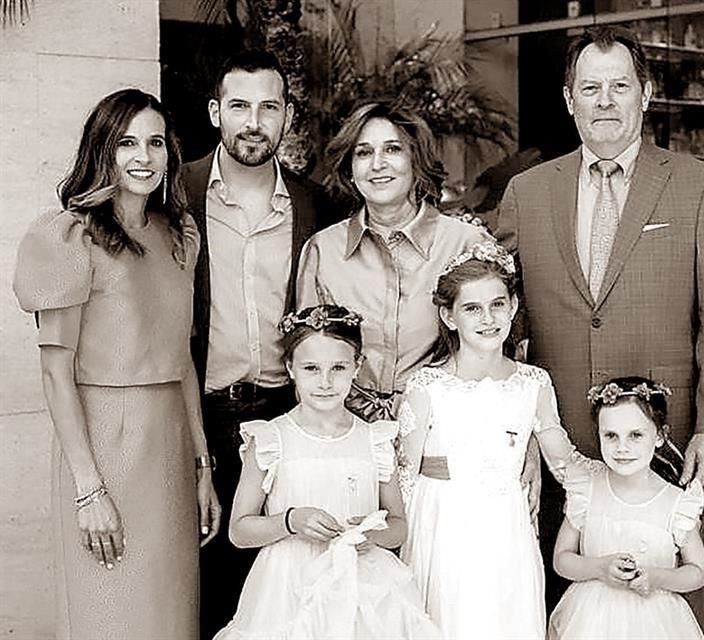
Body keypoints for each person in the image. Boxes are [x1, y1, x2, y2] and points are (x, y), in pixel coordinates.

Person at [495, 25, 704, 625]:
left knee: (672, 598)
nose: (605, 100)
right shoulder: (527, 193)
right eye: (590, 87)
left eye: (619, 86)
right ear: (568, 99)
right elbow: (503, 321)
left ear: (646, 92)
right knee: (569, 595)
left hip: (664, 442)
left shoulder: (697, 185)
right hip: (563, 442)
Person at [12, 88, 220, 640]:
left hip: (170, 449)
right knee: (109, 612)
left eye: (156, 143)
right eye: (127, 142)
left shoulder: (181, 235)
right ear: (101, 149)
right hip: (102, 448)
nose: (144, 157)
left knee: (170, 615)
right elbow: (56, 374)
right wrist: (89, 490)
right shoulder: (67, 237)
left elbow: (182, 362)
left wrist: (203, 468)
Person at [180, 49, 338, 637]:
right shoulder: (177, 192)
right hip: (200, 415)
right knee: (207, 586)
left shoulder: (318, 205)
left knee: (285, 589)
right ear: (217, 111)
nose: (254, 121)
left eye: (268, 107)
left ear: (287, 116)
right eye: (240, 106)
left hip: (285, 415)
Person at [214, 304, 440, 640]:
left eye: (338, 367)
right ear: (290, 367)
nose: (325, 382)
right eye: (311, 368)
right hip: (289, 587)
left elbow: (398, 527)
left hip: (362, 586)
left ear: (357, 366)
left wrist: (370, 536)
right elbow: (239, 530)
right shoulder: (270, 439)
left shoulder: (374, 439)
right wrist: (290, 520)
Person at [399, 240, 580, 639]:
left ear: (513, 307)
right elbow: (404, 476)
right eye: (472, 308)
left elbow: (563, 459)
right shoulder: (427, 385)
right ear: (449, 316)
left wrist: (616, 480)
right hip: (442, 528)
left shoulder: (533, 383)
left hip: (506, 528)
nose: (488, 318)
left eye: (497, 304)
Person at [296, 101, 490, 422]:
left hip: (446, 427)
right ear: (350, 169)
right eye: (363, 152)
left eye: (393, 149)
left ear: (417, 160)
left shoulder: (466, 244)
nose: (377, 164)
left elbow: (492, 351)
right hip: (346, 430)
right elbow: (309, 356)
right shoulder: (322, 250)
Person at [549, 377, 704, 640]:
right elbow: (561, 559)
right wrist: (598, 568)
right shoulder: (586, 489)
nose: (622, 448)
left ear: (660, 436)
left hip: (656, 625)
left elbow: (697, 572)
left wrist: (658, 578)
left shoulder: (677, 503)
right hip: (591, 622)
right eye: (611, 435)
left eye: (635, 435)